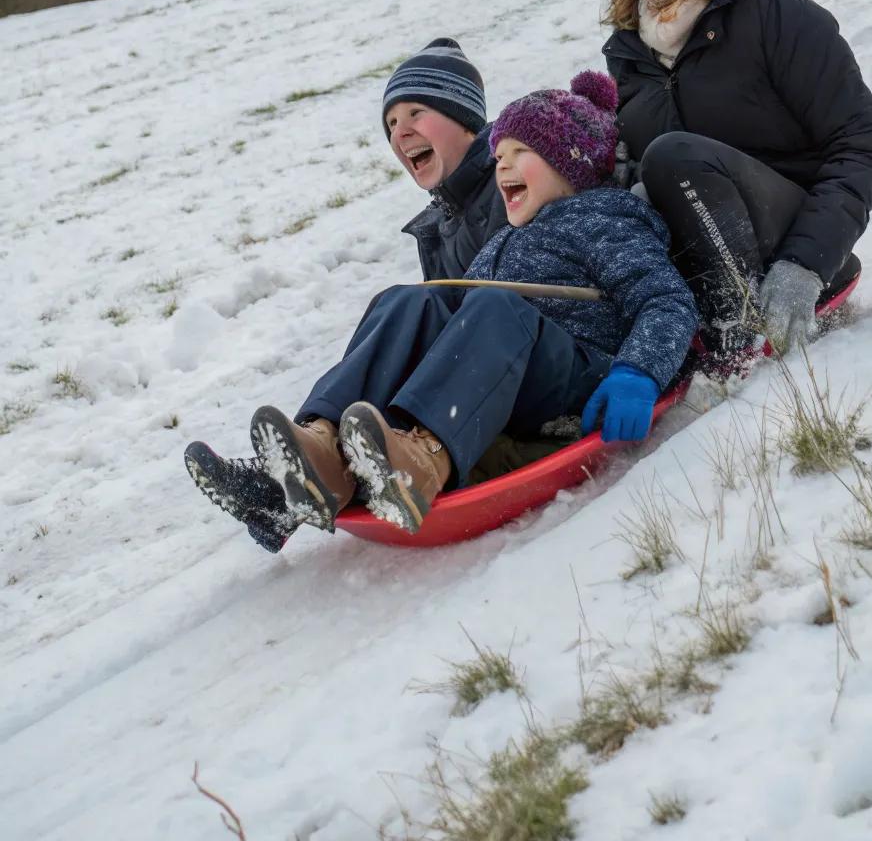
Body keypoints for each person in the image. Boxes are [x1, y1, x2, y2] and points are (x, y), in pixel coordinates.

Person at [185, 73, 698, 547]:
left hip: (581, 383)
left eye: (521, 151)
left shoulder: (609, 221)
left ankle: (424, 459)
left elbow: (666, 300)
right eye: (499, 155)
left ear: (570, 162)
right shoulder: (506, 240)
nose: (502, 165)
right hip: (504, 380)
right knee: (408, 300)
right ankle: (314, 456)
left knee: (493, 304)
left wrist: (638, 372)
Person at [185, 38, 506, 551]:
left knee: (424, 304)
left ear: (465, 118)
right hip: (475, 376)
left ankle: (316, 471)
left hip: (519, 368)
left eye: (416, 113)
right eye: (390, 124)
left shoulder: (514, 179)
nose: (400, 132)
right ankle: (305, 460)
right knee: (402, 303)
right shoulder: (440, 222)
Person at [602, 0, 872, 369]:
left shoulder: (774, 14)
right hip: (697, 247)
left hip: (788, 240)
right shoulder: (630, 48)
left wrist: (806, 262)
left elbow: (863, 146)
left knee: (674, 157)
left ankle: (737, 331)